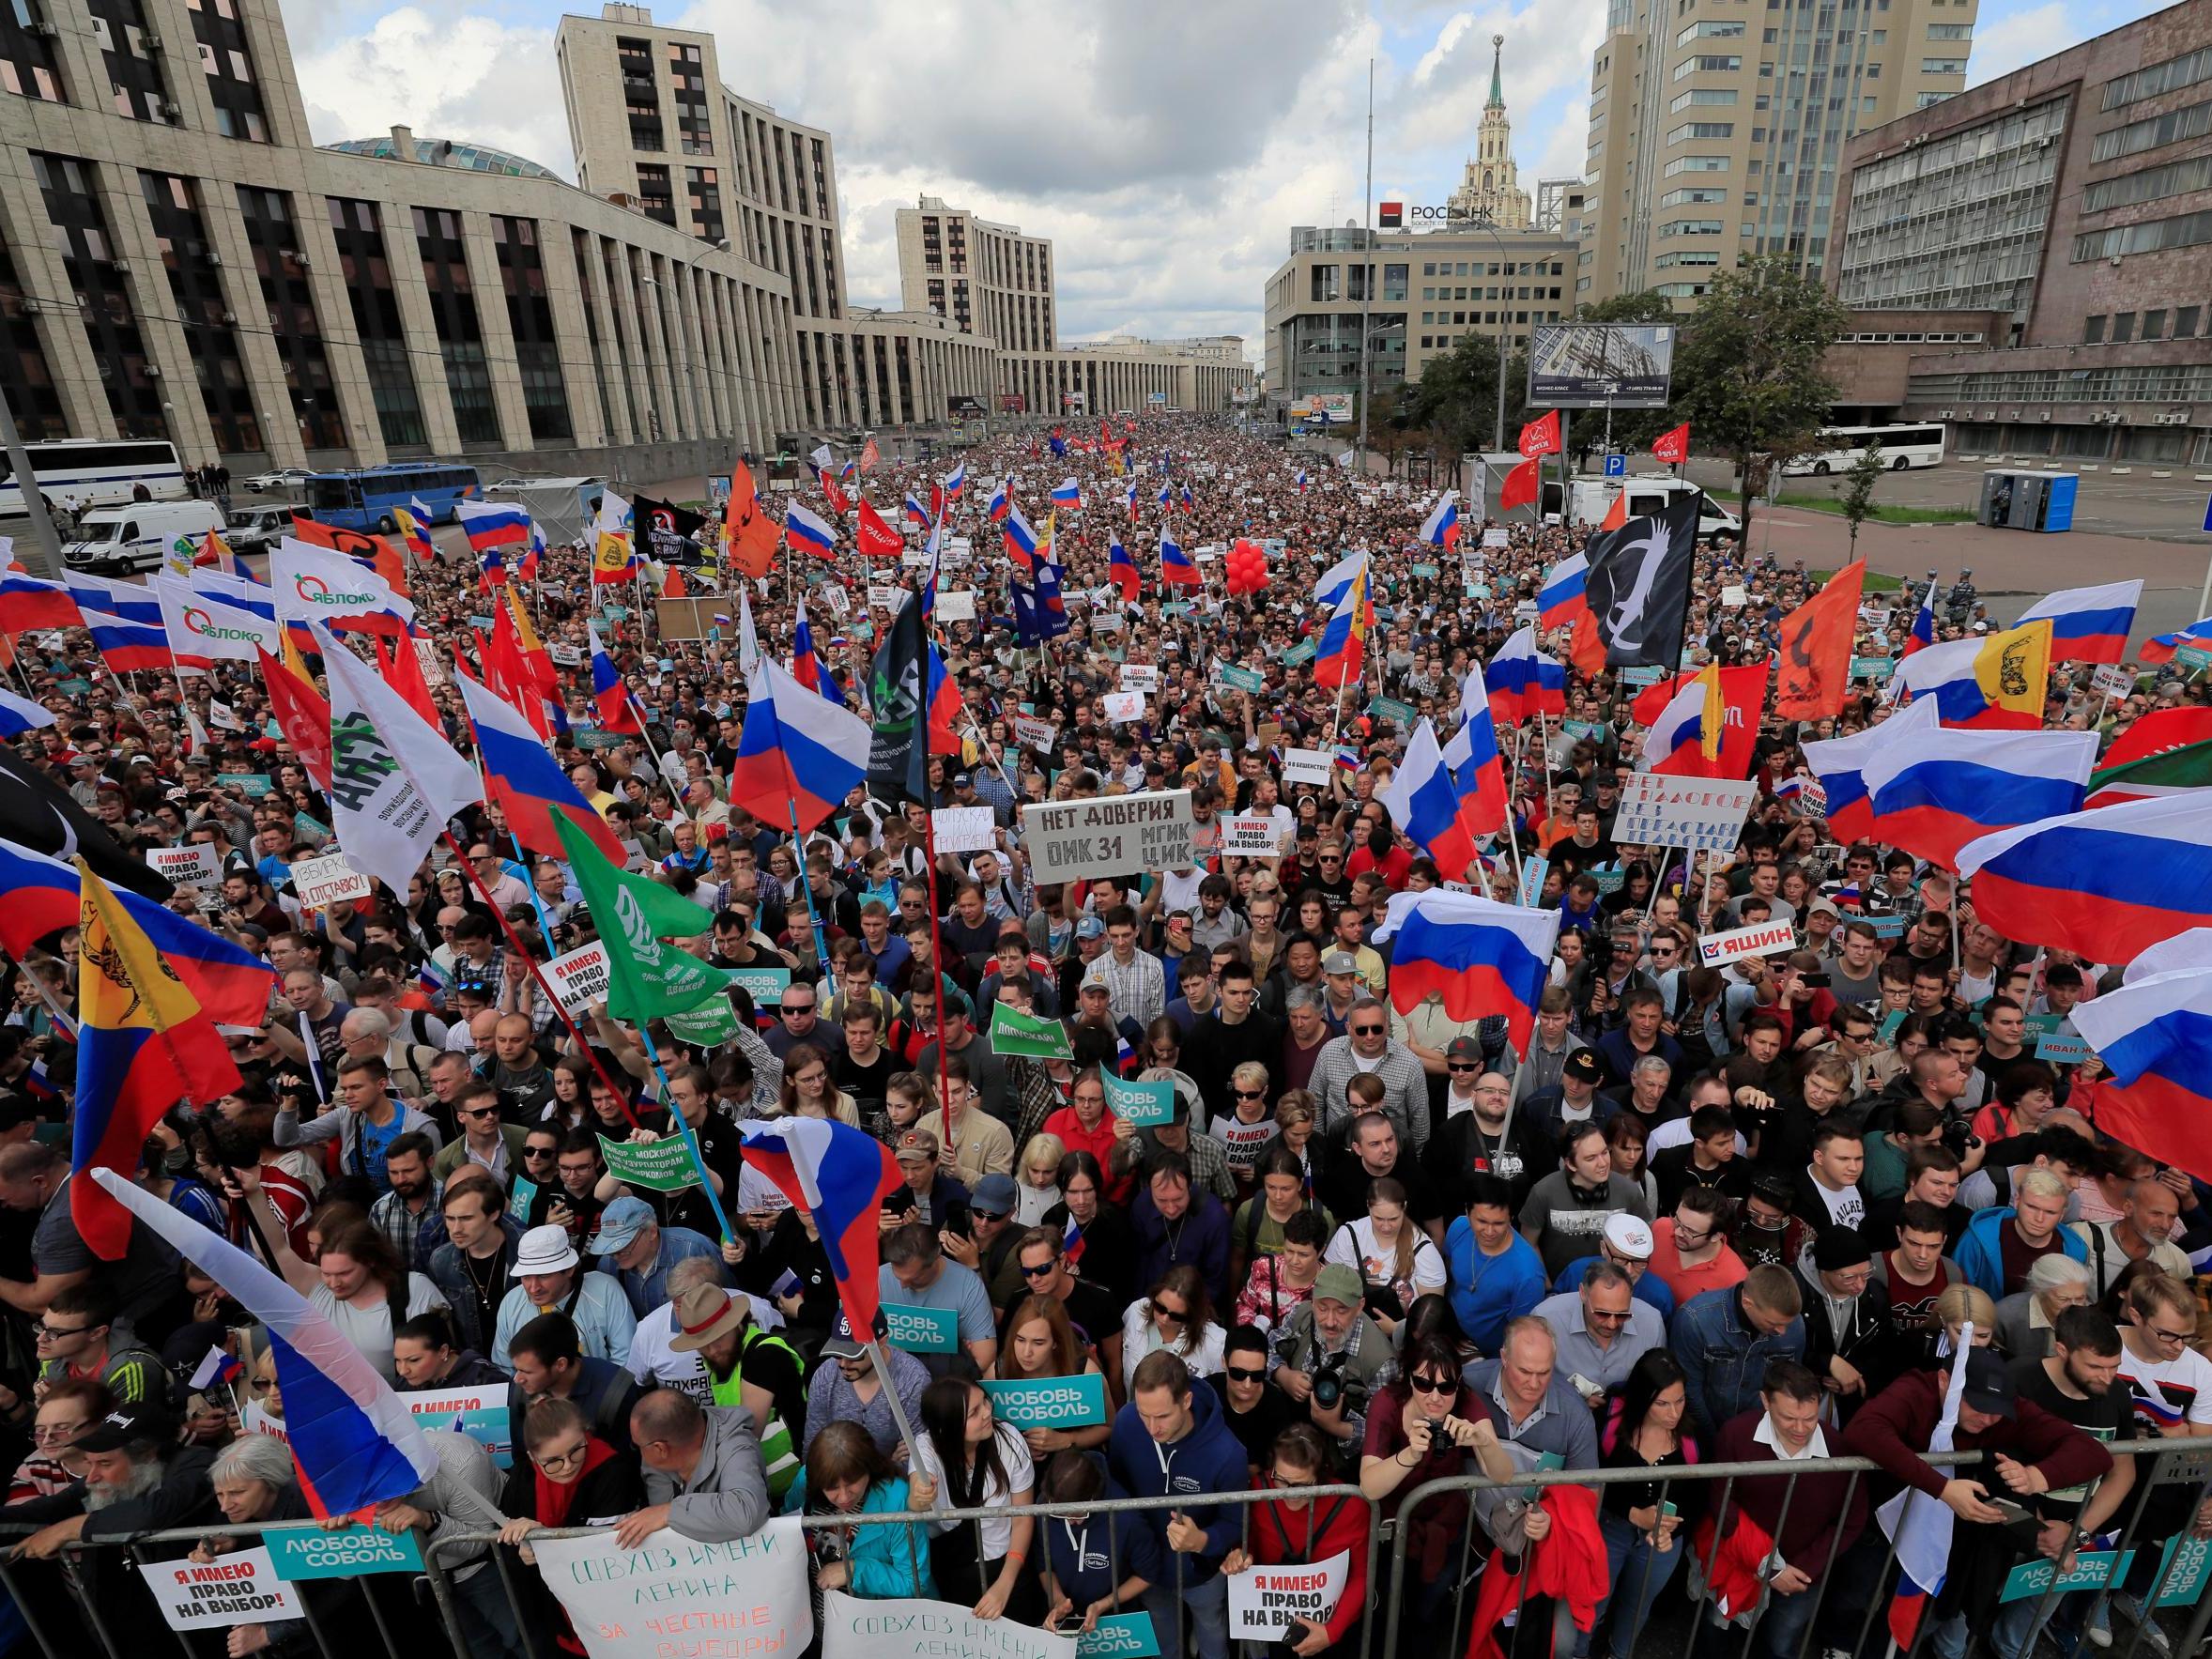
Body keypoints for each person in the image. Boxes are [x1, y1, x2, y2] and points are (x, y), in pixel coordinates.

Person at [1842, 1346, 2113, 1659]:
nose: (1987, 1419)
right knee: (1854, 1597)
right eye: (1977, 1406)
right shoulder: (1915, 1390)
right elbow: (1864, 1430)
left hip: (1944, 1544)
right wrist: (1942, 1488)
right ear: (1945, 1380)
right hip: (1879, 1525)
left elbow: (2092, 1452)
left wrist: (2035, 1477)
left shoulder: (2010, 1410)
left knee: (1913, 1620)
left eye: (1997, 1410)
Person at [1702, 1360, 1867, 1659]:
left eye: (1810, 1418)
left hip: (1803, 1573)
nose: (1801, 1429)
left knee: (1781, 1642)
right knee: (1721, 1632)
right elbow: (1723, 1504)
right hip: (1741, 1562)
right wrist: (1770, 1567)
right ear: (1765, 1401)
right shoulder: (1736, 1435)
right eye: (1789, 1418)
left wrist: (1806, 1567)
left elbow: (1851, 1520)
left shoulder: (1839, 1447)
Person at [1358, 1335, 1512, 1637]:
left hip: (1444, 1531)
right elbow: (1369, 1485)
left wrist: (1483, 1442)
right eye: (1424, 1384)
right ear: (1409, 1379)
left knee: (1426, 1614)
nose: (1435, 1397)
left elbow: (1503, 1474)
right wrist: (1409, 1455)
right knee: (1383, 1612)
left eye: (1446, 1386)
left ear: (1458, 1384)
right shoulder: (1388, 1403)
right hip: (1392, 1531)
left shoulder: (1466, 1402)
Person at [1108, 1351, 1249, 1659]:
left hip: (1204, 1573)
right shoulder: (1126, 1423)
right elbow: (1116, 1488)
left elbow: (1235, 1522)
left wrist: (1202, 1541)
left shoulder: (1228, 1453)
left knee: (1212, 1634)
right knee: (1163, 1645)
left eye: (1162, 1416)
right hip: (1148, 1570)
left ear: (1186, 1401)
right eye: (1144, 1414)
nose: (1151, 1427)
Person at [1222, 1423, 1375, 1659]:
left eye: (1302, 1486)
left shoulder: (1352, 1505)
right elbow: (1247, 1539)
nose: (1289, 1494)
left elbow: (1361, 1575)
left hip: (1333, 1625)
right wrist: (1242, 1554)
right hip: (1276, 1623)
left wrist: (1330, 1632)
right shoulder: (1259, 1489)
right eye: (1281, 1480)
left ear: (1321, 1476)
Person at [1591, 1351, 1697, 1659]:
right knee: (1593, 1600)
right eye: (1662, 1403)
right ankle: (1576, 1652)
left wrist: (1672, 1531)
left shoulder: (1692, 1436)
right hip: (1610, 1530)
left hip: (1663, 1542)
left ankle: (1619, 1654)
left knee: (1638, 1606)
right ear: (1641, 1399)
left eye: (1680, 1401)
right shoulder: (1608, 1426)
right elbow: (1592, 1482)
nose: (1674, 1412)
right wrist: (1634, 1514)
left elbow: (1698, 1495)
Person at [909, 1375, 1040, 1621]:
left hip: (1008, 1564)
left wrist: (1004, 1585)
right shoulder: (926, 1446)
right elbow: (916, 1495)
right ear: (947, 1426)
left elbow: (1023, 1519)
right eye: (973, 1413)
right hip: (952, 1569)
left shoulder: (1009, 1439)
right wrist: (921, 1494)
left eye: (985, 1403)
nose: (987, 1413)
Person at [665, 1279, 805, 1504]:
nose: (711, 1351)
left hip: (794, 1493)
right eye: (702, 1344)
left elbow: (745, 1436)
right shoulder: (724, 1358)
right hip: (759, 1489)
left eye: (718, 1338)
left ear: (738, 1323)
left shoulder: (764, 1356)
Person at [783, 1420, 934, 1600]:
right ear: (816, 1483)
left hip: (874, 1619)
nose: (844, 1497)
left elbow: (914, 1582)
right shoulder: (804, 1483)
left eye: (852, 1483)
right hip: (813, 1613)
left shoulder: (897, 1498)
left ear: (869, 1469)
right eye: (832, 1487)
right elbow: (784, 1533)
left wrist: (854, 1570)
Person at [1672, 1264, 1807, 1443]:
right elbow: (1689, 1391)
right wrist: (1717, 1439)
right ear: (1747, 1303)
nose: (1782, 1332)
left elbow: (1788, 1388)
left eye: (1787, 1324)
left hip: (1763, 1435)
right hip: (1704, 1433)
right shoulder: (1695, 1320)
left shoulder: (1794, 1325)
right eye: (1773, 1323)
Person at [622, 1388, 771, 1545]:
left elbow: (745, 1513)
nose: (638, 1452)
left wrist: (670, 1512)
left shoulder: (734, 1446)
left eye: (636, 1445)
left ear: (660, 1449)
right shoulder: (658, 1461)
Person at [491, 1222, 637, 1369]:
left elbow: (626, 1359)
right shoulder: (511, 1303)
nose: (533, 1288)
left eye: (543, 1276)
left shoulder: (605, 1290)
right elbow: (504, 1367)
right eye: (526, 1277)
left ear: (569, 1270)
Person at [989, 1295, 1111, 1453]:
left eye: (1038, 1343)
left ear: (1056, 1342)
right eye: (1020, 1340)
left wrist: (1067, 1440)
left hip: (1072, 1463)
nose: (1026, 1352)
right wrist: (1017, 1449)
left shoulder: (1086, 1372)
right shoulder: (997, 1372)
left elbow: (1108, 1427)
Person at [1533, 1261, 1664, 1406]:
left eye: (1622, 1315)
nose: (1612, 1324)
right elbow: (1526, 1380)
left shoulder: (1652, 1324)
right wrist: (1572, 1401)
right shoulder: (1546, 1319)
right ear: (1583, 1293)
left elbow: (1659, 1383)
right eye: (1602, 1313)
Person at [1443, 1174, 1548, 1355]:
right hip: (1448, 1336)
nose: (1489, 1231)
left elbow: (1520, 1333)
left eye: (1499, 1223)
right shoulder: (1459, 1228)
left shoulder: (1528, 1273)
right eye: (1482, 1221)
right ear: (1467, 1213)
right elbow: (1448, 1271)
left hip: (1487, 1356)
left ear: (1511, 1219)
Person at [803, 1324, 932, 1458]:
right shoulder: (825, 1375)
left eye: (854, 1356)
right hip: (837, 1475)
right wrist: (890, 1465)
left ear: (881, 1342)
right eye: (838, 1354)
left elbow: (915, 1460)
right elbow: (812, 1451)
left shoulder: (913, 1379)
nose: (843, 1364)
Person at [1955, 1168, 2086, 1299]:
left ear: (2062, 1214)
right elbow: (1957, 1295)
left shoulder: (2075, 1250)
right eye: (2032, 1207)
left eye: (2050, 1212)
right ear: (2017, 1201)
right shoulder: (1978, 1239)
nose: (2039, 1219)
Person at [1120, 1265, 1225, 1397]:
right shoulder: (1135, 1313)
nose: (1164, 1319)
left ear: (1193, 1315)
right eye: (1160, 1307)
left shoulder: (1215, 1344)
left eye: (1176, 1316)